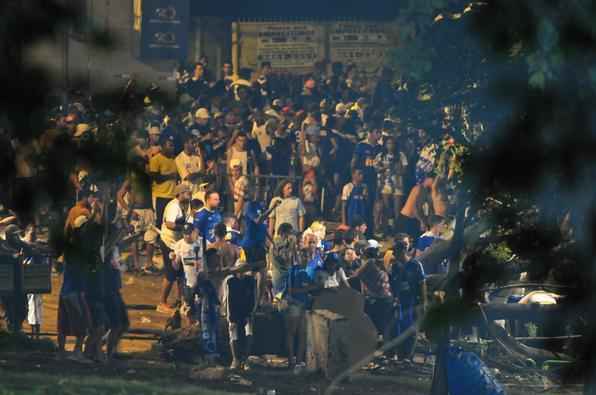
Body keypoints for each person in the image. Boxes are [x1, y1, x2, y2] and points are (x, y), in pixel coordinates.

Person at [389, 239, 427, 361]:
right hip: (400, 301)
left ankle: (408, 355)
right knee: (399, 328)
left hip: (412, 300)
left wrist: (424, 301)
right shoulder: (395, 266)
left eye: (396, 252)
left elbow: (422, 283)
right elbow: (393, 283)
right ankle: (401, 355)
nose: (394, 255)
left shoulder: (415, 265)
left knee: (411, 328)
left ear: (403, 251)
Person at [157, 183, 192, 314]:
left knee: (181, 272)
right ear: (180, 194)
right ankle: (161, 302)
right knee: (171, 273)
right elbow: (169, 224)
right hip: (168, 242)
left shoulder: (187, 205)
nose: (189, 194)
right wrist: (183, 228)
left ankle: (180, 299)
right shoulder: (174, 206)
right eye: (186, 192)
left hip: (178, 243)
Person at [351, 240, 393, 340]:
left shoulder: (369, 264)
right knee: (383, 326)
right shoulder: (380, 263)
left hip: (377, 299)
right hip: (387, 298)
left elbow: (355, 277)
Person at [222, 260, 257, 370]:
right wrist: (227, 314)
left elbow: (254, 296)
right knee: (233, 334)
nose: (241, 272)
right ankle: (235, 359)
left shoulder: (251, 281)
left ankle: (245, 360)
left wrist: (253, 311)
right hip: (234, 311)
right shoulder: (230, 281)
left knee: (249, 333)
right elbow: (226, 298)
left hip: (247, 311)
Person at [240, 184, 269, 305]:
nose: (259, 193)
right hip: (250, 245)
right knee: (251, 273)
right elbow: (258, 220)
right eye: (256, 191)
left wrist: (270, 240)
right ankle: (248, 299)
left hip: (259, 245)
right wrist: (272, 209)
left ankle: (259, 301)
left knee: (263, 273)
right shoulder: (248, 206)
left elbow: (263, 226)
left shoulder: (261, 206)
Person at [351, 128, 383, 237]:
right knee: (361, 206)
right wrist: (354, 178)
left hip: (375, 181)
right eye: (377, 132)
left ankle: (370, 232)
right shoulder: (361, 146)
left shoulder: (380, 148)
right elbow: (354, 162)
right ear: (370, 133)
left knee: (372, 207)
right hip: (362, 180)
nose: (379, 134)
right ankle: (357, 232)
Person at [173, 223, 203, 324]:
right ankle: (190, 327)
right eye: (185, 233)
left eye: (189, 233)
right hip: (189, 281)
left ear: (194, 232)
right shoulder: (179, 245)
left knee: (201, 304)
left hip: (202, 280)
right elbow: (176, 267)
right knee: (189, 306)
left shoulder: (202, 242)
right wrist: (173, 259)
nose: (187, 236)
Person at [149, 136, 178, 232]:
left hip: (172, 196)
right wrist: (170, 176)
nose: (172, 148)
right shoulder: (156, 159)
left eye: (173, 145)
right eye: (170, 145)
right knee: (159, 222)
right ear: (162, 146)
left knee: (169, 222)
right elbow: (155, 178)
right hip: (160, 197)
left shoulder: (173, 160)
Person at [175, 134, 205, 198]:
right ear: (185, 144)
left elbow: (203, 172)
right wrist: (199, 173)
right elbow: (188, 177)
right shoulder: (179, 158)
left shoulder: (197, 156)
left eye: (195, 143)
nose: (195, 145)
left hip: (199, 191)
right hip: (187, 192)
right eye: (192, 143)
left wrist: (201, 155)